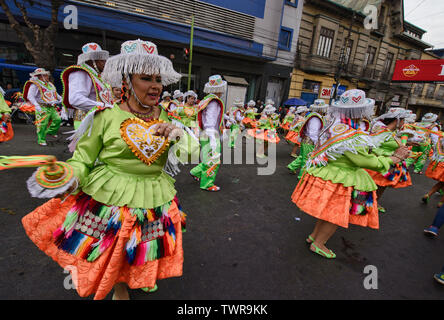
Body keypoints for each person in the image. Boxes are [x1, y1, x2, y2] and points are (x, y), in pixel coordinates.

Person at [21, 39, 186, 300]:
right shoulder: (104, 116)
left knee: (145, 246)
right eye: (146, 78)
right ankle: (120, 287)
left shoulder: (165, 116)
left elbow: (190, 153)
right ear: (127, 81)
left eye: (158, 78)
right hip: (112, 195)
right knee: (111, 249)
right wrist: (69, 175)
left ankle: (138, 276)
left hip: (154, 195)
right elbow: (83, 160)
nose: (156, 86)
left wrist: (178, 134)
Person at [291, 90, 410, 259]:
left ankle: (314, 237)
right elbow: (365, 161)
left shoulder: (335, 126)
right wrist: (394, 158)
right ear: (360, 111)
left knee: (327, 212)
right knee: (336, 215)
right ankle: (318, 244)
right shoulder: (351, 134)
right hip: (343, 178)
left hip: (331, 174)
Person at [366, 108, 412, 213]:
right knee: (373, 185)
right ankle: (366, 204)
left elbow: (390, 143)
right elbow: (371, 146)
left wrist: (407, 144)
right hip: (379, 163)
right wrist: (389, 156)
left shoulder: (390, 132)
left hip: (388, 163)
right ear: (397, 120)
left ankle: (374, 203)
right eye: (403, 120)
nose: (404, 123)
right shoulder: (383, 131)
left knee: (382, 185)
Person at [61, 42, 113, 129]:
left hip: (97, 119)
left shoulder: (96, 75)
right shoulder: (81, 73)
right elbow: (76, 99)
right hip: (87, 120)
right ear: (92, 61)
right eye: (102, 60)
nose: (105, 63)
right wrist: (102, 106)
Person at [190, 75, 226, 192]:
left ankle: (196, 172)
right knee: (213, 160)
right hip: (211, 134)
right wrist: (213, 140)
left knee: (207, 158)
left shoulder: (207, 100)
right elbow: (210, 121)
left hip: (205, 133)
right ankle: (207, 184)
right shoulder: (214, 102)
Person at [287, 100, 327, 179]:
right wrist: (317, 143)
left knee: (303, 156)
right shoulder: (316, 118)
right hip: (310, 141)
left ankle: (292, 166)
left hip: (305, 140)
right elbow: (313, 132)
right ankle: (302, 176)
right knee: (307, 159)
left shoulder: (312, 116)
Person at [23, 68, 62, 146]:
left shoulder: (50, 84)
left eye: (47, 75)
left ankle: (50, 131)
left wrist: (60, 99)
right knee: (42, 124)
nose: (47, 76)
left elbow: (54, 93)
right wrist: (37, 105)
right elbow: (30, 96)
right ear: (40, 76)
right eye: (45, 75)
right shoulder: (35, 84)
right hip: (42, 106)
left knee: (58, 119)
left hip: (52, 106)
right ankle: (41, 140)